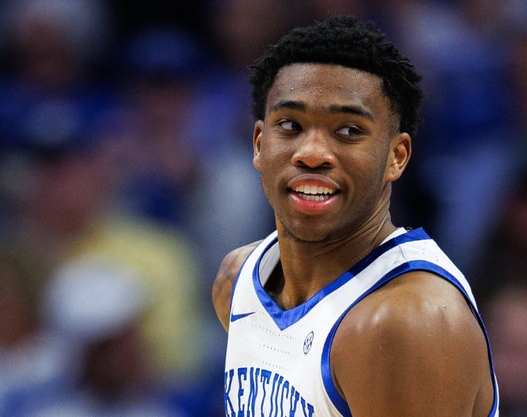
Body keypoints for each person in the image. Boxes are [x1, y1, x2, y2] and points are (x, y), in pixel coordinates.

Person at [211, 15, 499, 417]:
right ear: (259, 143)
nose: (311, 153)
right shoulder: (236, 282)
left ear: (396, 157)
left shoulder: (407, 323)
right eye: (290, 125)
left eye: (348, 131)